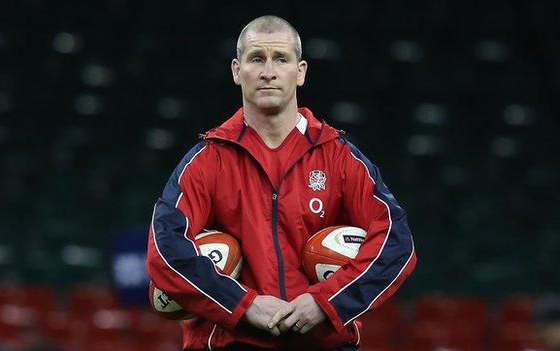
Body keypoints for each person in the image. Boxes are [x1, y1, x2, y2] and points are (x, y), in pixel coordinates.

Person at [145, 15, 417, 350]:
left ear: (300, 72)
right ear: (236, 70)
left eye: (282, 59)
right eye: (256, 59)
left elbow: (396, 243)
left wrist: (326, 302)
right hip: (234, 342)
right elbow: (165, 251)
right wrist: (242, 304)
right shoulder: (207, 160)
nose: (268, 72)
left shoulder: (339, 157)